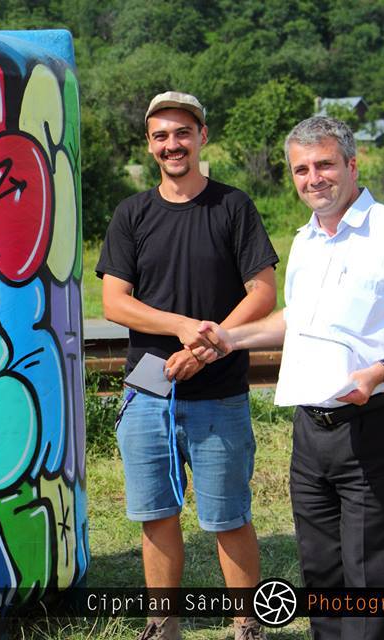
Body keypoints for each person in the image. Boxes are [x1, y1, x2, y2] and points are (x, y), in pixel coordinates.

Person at [196, 116, 384, 640]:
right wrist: (230, 337)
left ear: (352, 165)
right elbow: (298, 319)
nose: (313, 178)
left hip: (375, 421)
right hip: (311, 429)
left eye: (325, 164)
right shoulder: (306, 243)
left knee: (373, 573)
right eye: (301, 169)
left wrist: (381, 370)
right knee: (322, 569)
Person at [95, 91, 278, 640]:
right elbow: (114, 303)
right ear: (149, 145)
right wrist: (180, 326)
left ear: (202, 137)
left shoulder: (233, 206)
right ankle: (163, 625)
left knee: (228, 517)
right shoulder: (132, 214)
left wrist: (207, 347)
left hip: (219, 387)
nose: (172, 145)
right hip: (148, 387)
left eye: (182, 133)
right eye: (161, 136)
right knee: (156, 513)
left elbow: (262, 292)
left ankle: (247, 624)